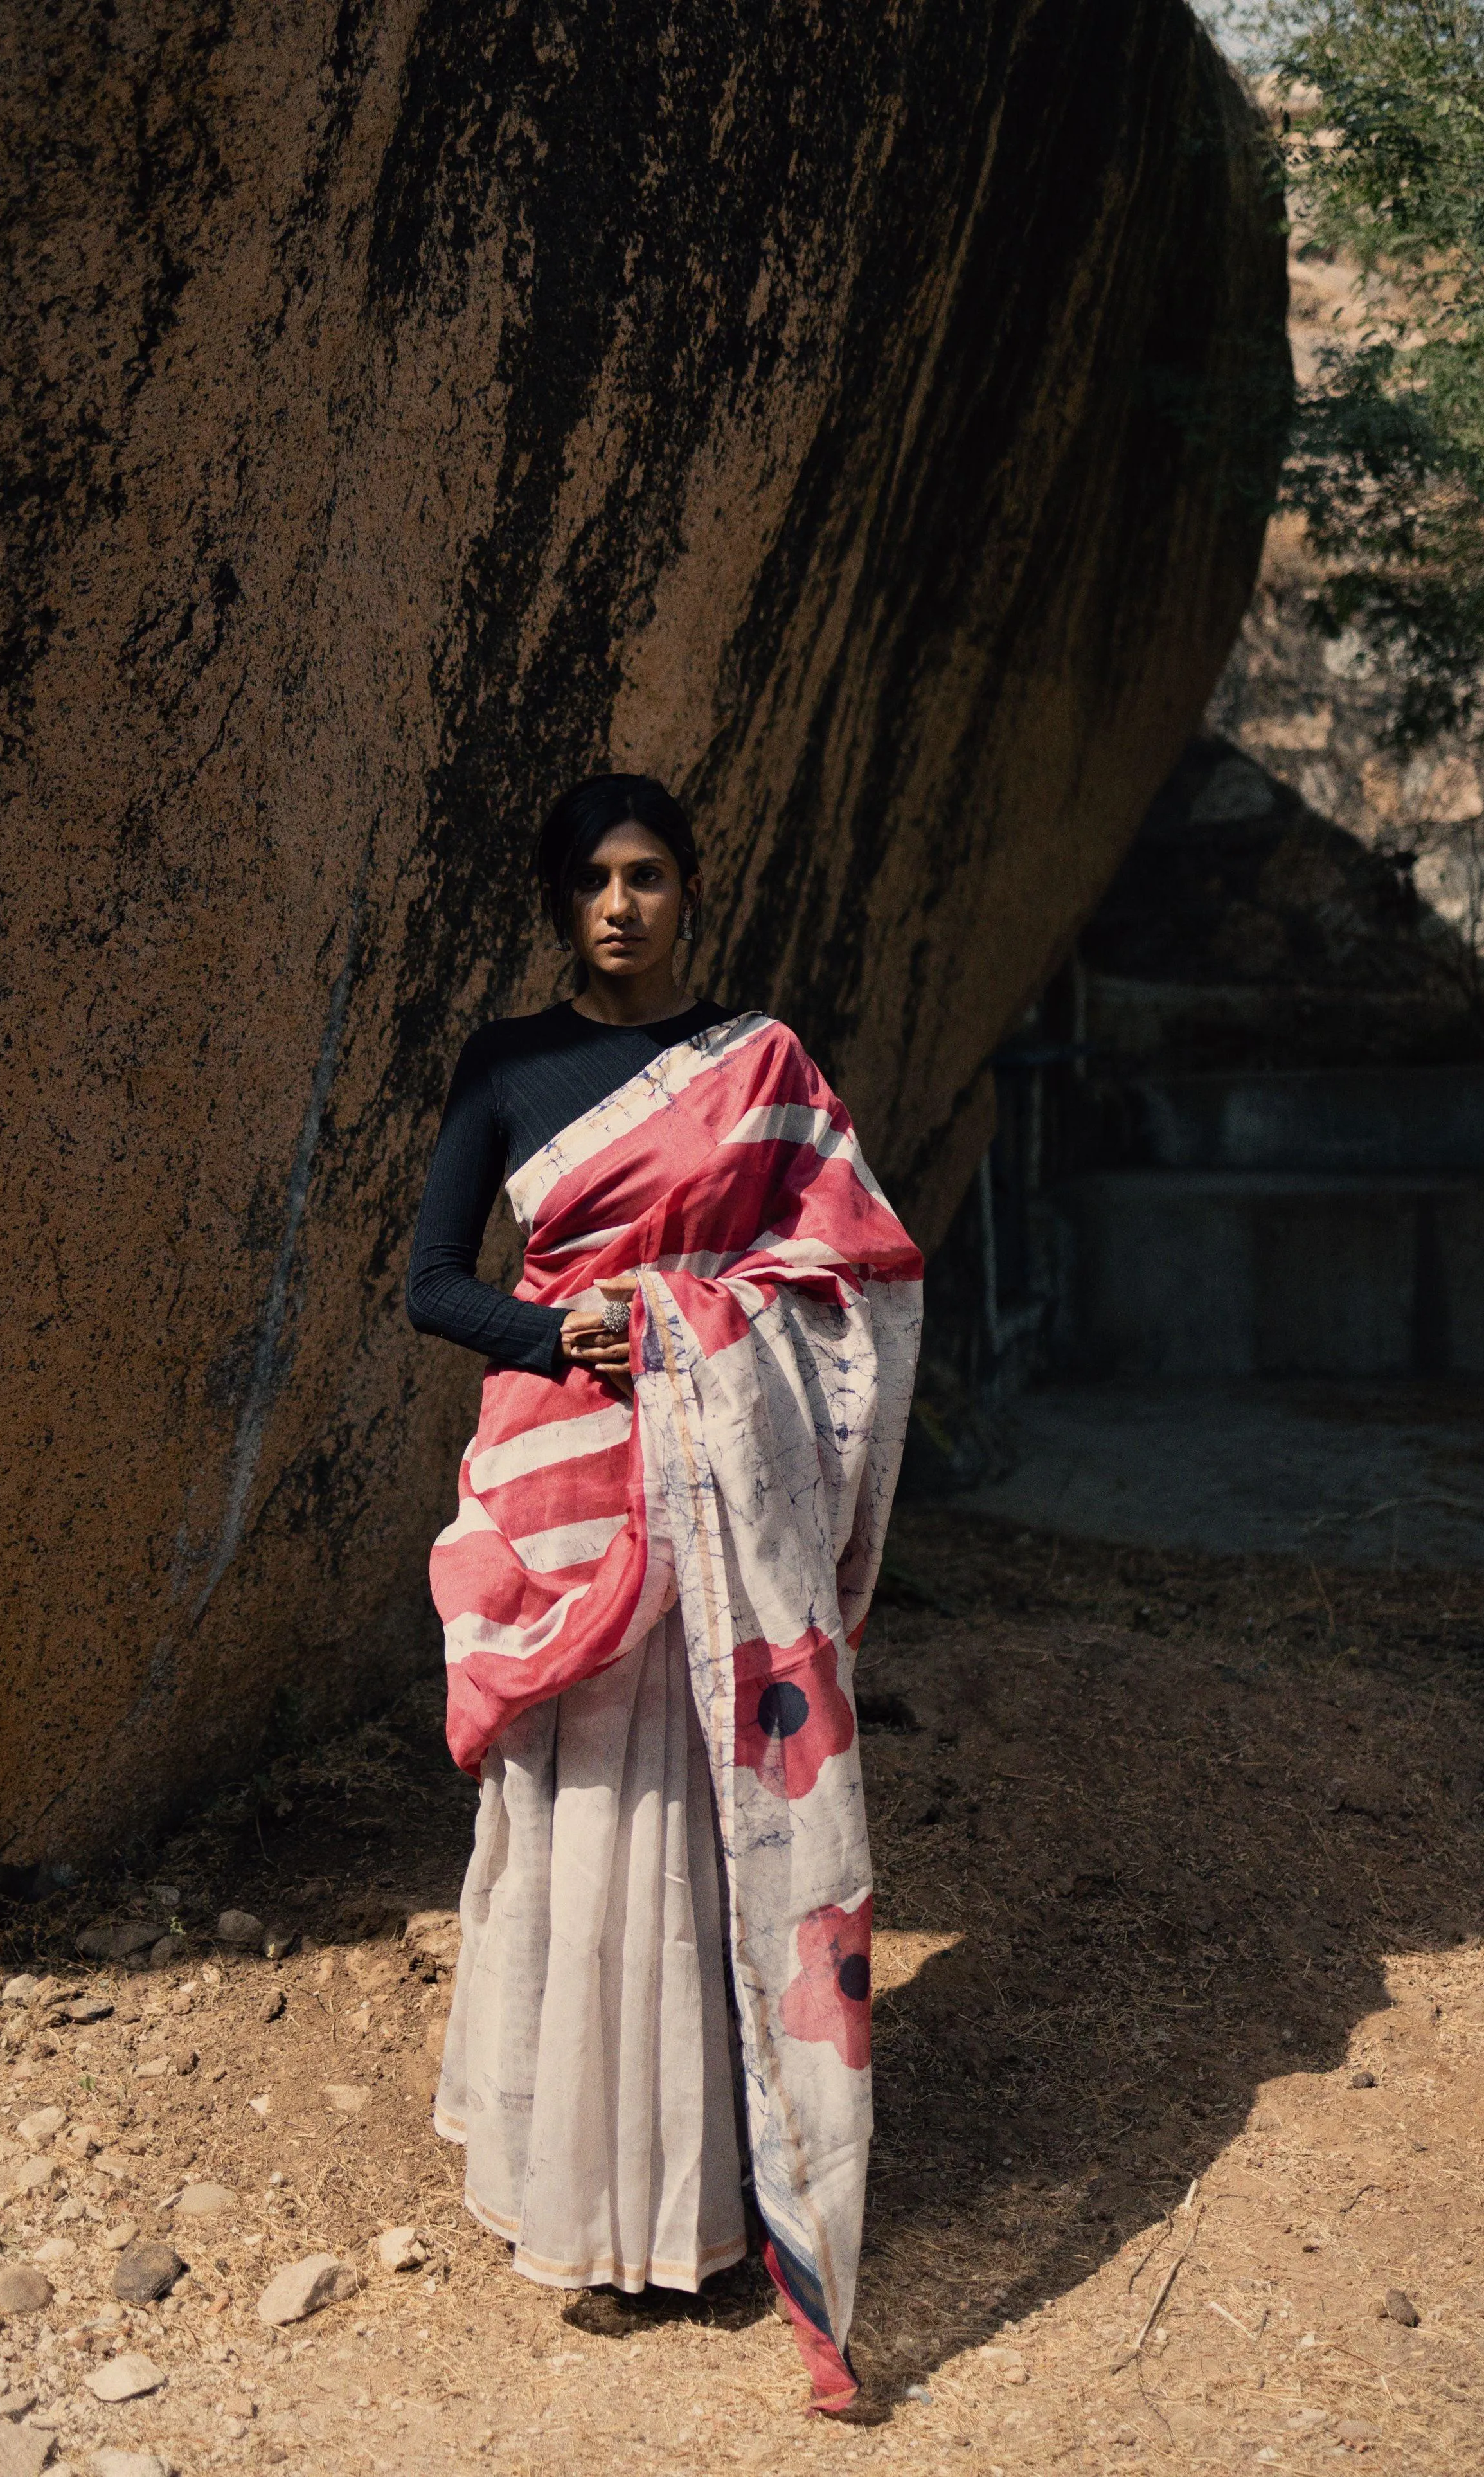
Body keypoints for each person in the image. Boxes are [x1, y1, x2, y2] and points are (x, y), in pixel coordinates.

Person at [406, 773, 923, 2412]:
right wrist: (560, 1332)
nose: (619, 905)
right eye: (591, 882)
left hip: (724, 1492)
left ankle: (709, 2208)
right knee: (589, 1825)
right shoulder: (507, 1066)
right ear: (561, 903)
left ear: (689, 889)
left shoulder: (762, 1064)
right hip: (567, 1484)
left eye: (646, 876)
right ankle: (587, 2198)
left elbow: (856, 1266)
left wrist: (708, 1330)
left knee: (712, 1826)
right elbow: (431, 1284)